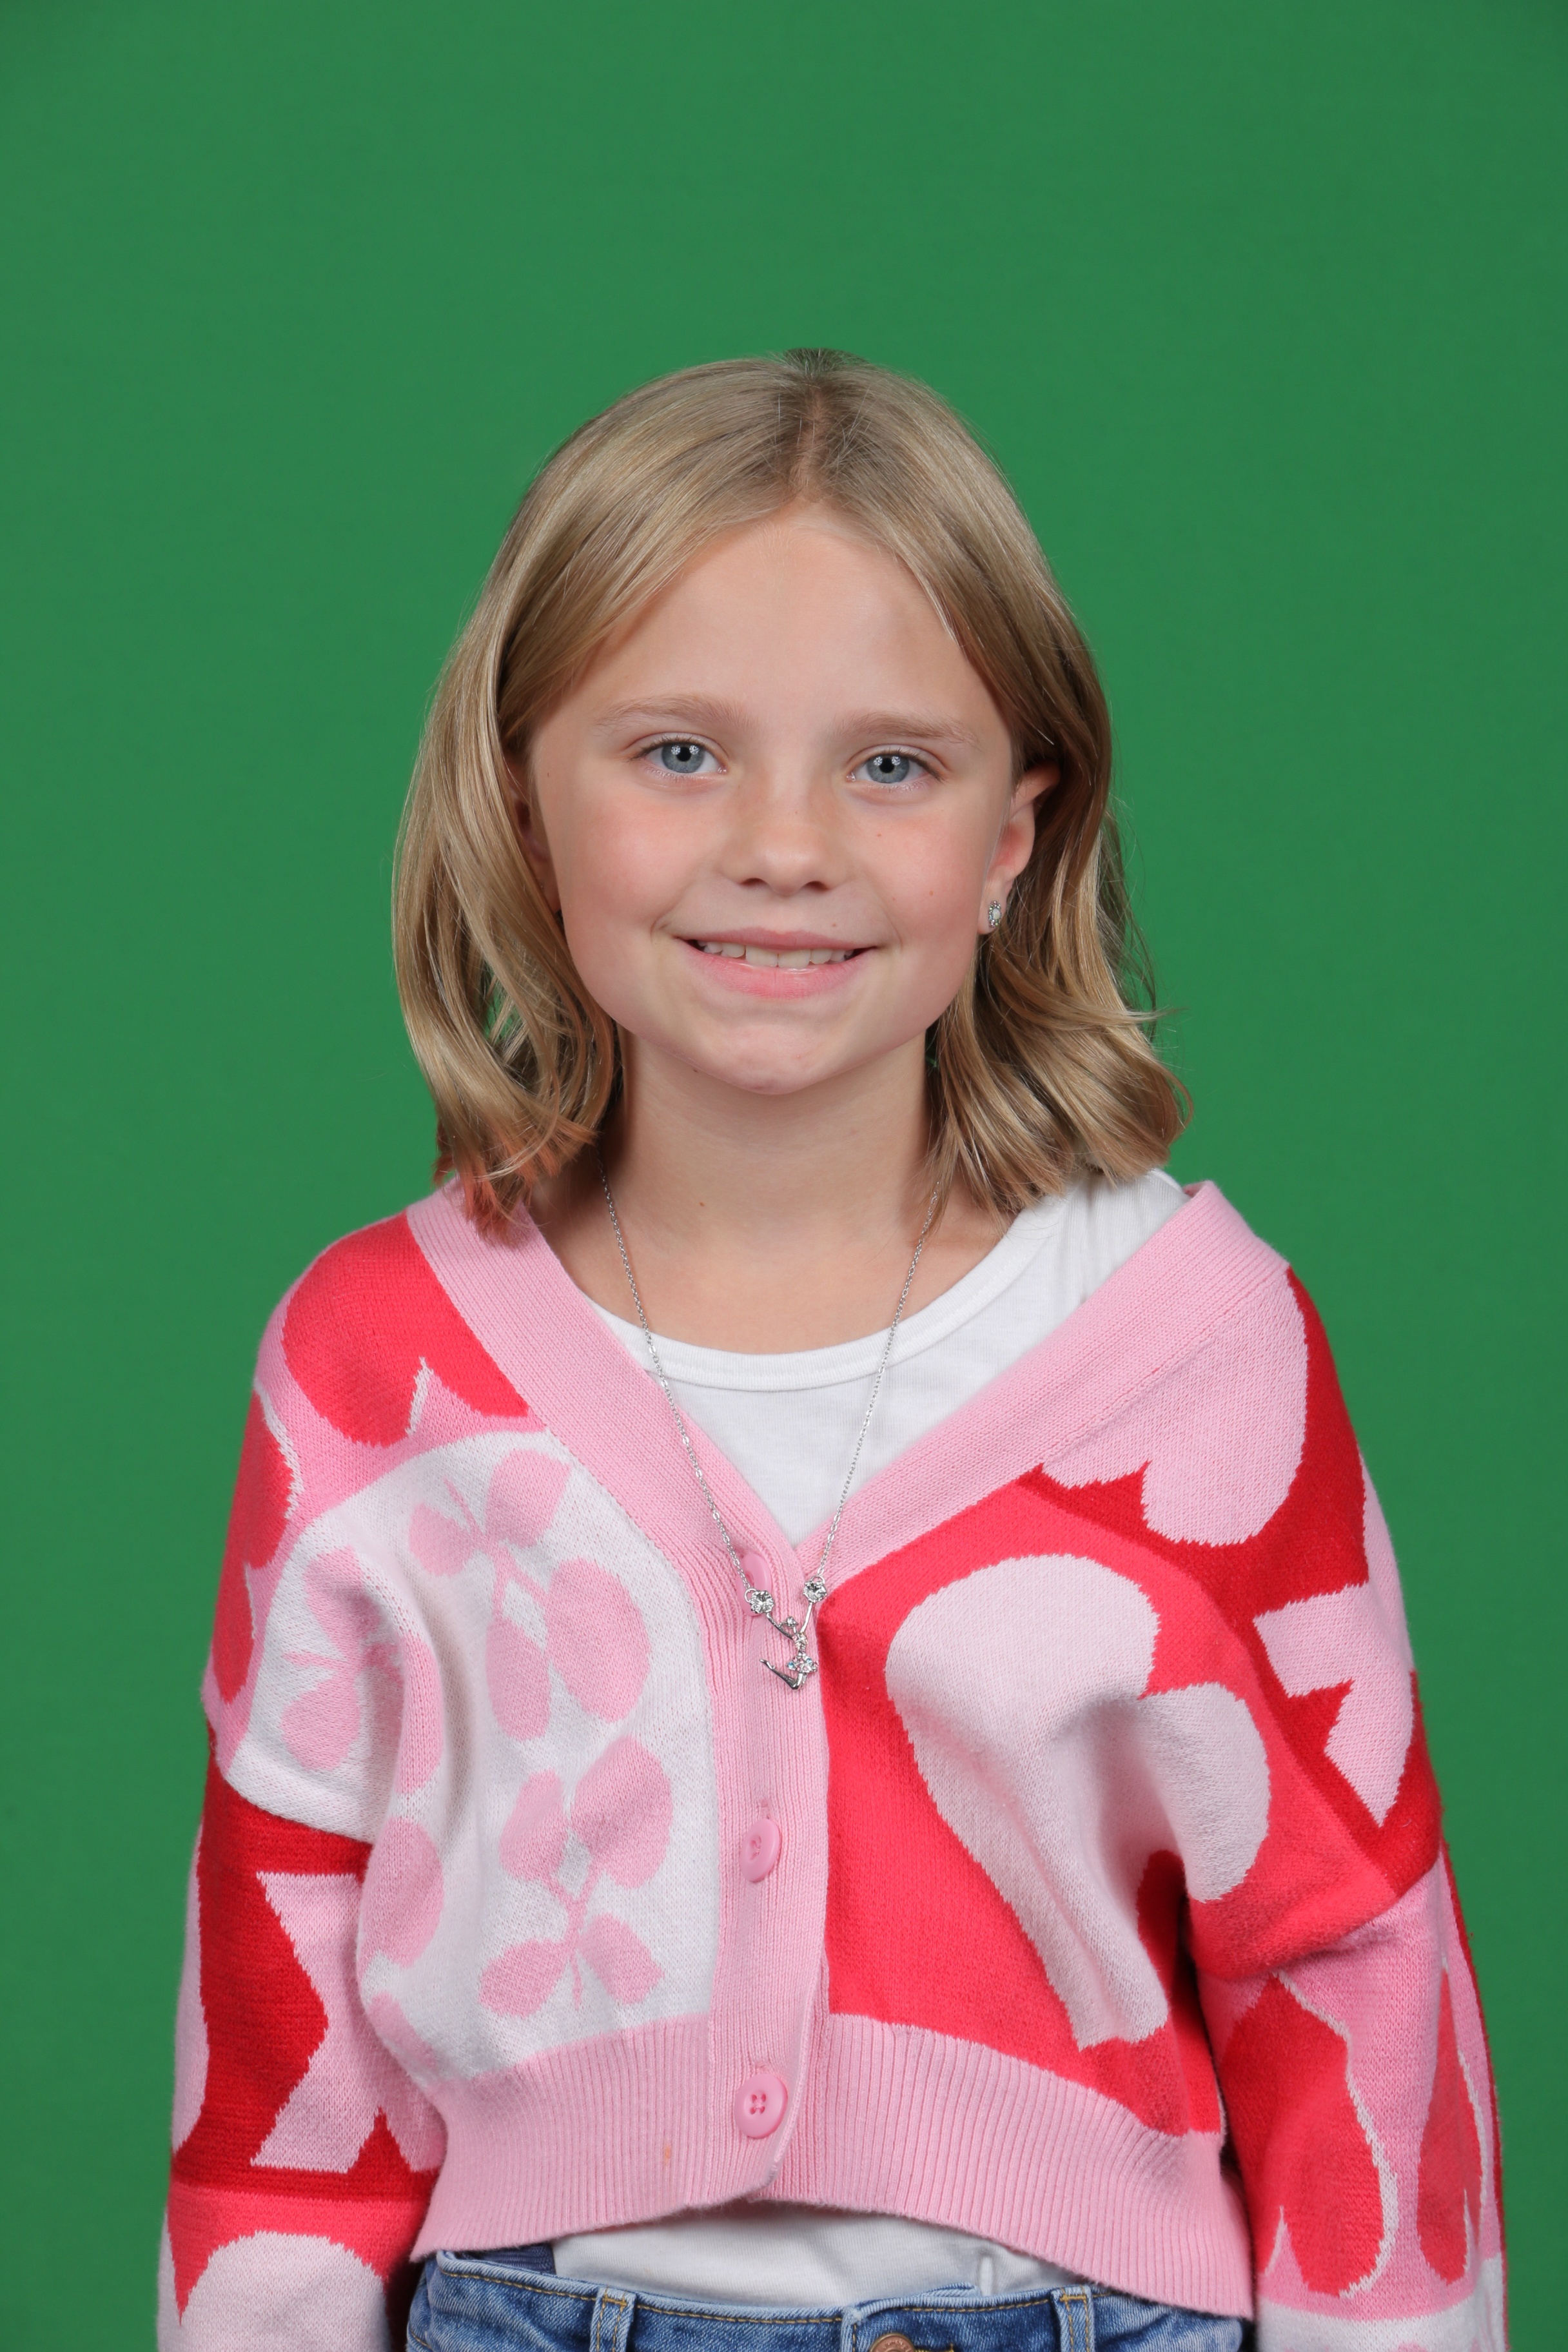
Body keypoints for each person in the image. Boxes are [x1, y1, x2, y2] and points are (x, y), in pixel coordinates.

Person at [158, 351, 1504, 2352]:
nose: (784, 844)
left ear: (1015, 840)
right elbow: (280, 2039)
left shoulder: (1196, 1348)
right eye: (676, 752)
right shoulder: (373, 1364)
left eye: (890, 767)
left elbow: (1355, 1972)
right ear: (523, 800)